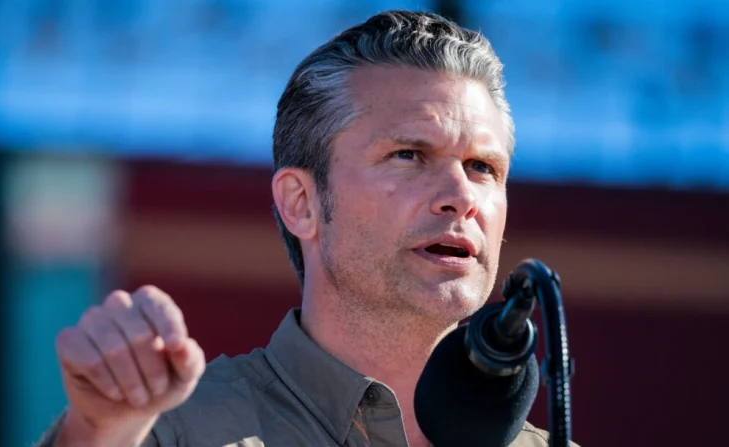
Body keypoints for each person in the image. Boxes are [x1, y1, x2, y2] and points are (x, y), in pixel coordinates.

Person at [37, 10, 580, 447]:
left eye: (482, 167)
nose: (461, 196)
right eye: (409, 155)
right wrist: (99, 431)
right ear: (301, 203)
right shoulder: (168, 432)